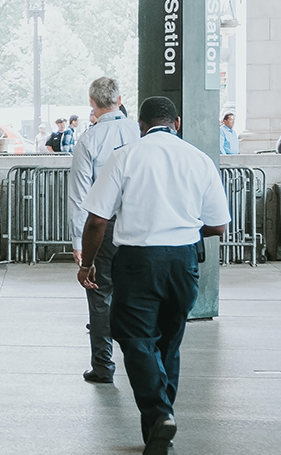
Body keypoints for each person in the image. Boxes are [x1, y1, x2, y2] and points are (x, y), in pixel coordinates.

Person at [78, 96, 231, 455]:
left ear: (141, 125)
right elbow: (220, 224)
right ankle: (159, 431)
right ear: (176, 123)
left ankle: (160, 413)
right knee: (168, 343)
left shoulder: (126, 156)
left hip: (138, 261)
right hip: (184, 261)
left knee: (134, 338)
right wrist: (183, 229)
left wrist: (87, 263)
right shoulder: (199, 160)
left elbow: (98, 219)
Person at [67, 76, 141, 385]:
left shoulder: (89, 139)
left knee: (99, 293)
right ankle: (140, 361)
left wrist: (77, 241)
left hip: (105, 228)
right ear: (120, 99)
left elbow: (80, 195)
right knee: (138, 296)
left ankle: (103, 365)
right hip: (139, 225)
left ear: (92, 102)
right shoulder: (139, 131)